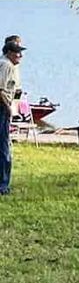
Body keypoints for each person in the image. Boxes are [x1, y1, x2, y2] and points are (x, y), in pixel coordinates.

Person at [0, 35, 25, 196]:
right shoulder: (6, 65)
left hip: (7, 107)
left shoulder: (11, 65)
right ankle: (3, 185)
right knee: (4, 148)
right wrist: (8, 107)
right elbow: (1, 89)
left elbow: (14, 89)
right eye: (17, 52)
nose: (20, 56)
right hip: (2, 109)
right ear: (9, 52)